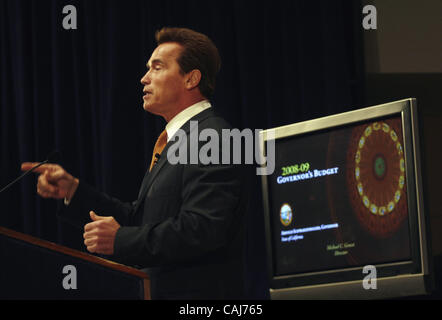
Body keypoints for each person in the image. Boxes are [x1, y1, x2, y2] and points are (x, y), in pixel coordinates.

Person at [21, 27, 247, 299]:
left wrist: (121, 240)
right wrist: (74, 191)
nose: (144, 79)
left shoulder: (215, 137)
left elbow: (203, 228)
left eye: (157, 68)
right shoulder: (177, 139)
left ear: (191, 79)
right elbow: (140, 221)